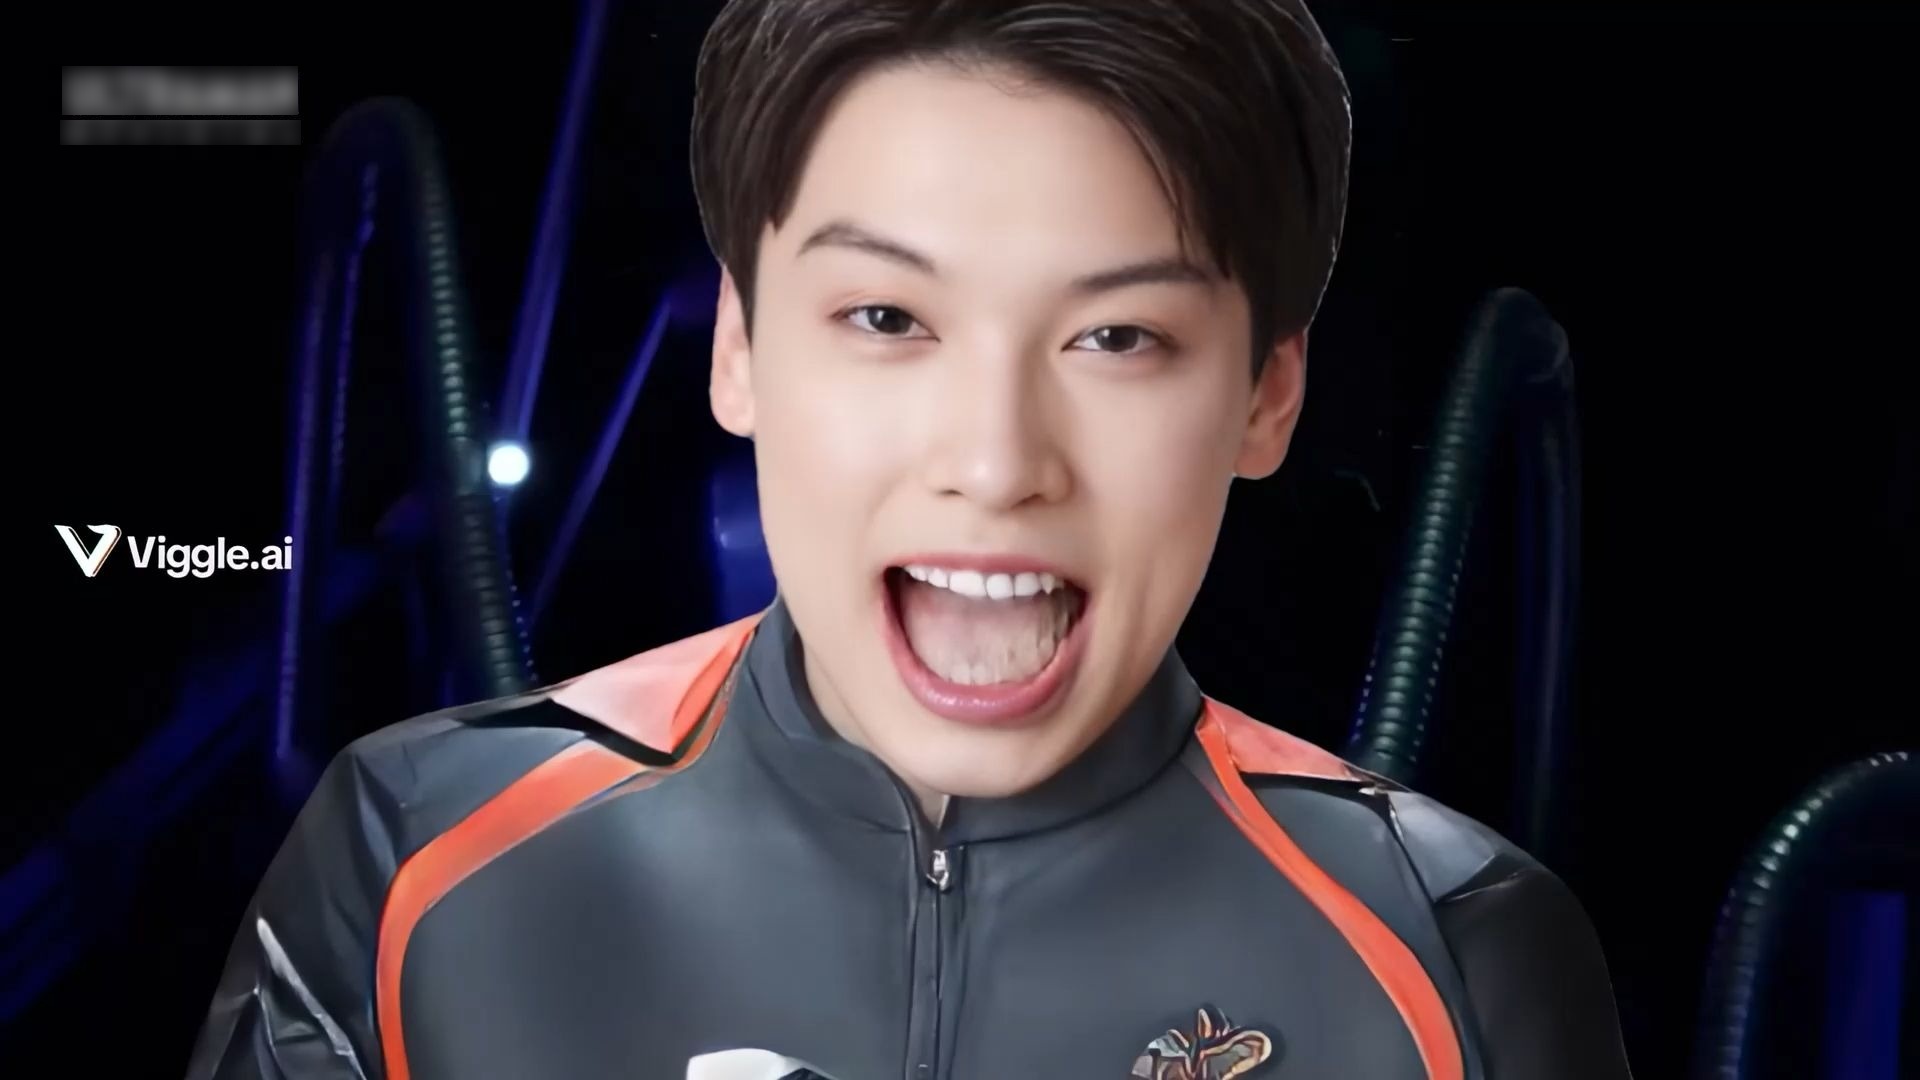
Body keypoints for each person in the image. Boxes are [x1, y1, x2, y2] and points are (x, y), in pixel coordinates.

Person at [185, 1, 1635, 1077]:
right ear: (740, 347)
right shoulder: (410, 859)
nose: (995, 465)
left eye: (1118, 337)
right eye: (886, 317)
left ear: (1267, 395)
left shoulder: (1459, 949)